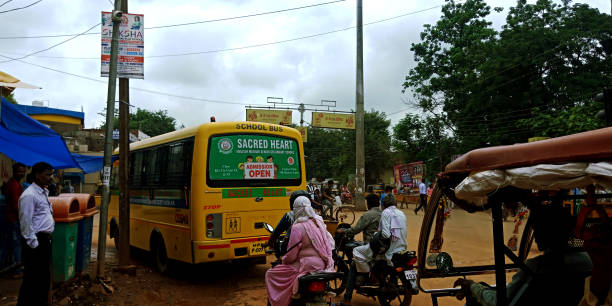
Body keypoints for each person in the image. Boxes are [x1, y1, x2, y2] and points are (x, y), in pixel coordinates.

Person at [453, 201, 592, 306]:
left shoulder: (535, 267)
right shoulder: (588, 261)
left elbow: (499, 301)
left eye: (538, 230)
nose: (536, 236)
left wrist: (472, 286)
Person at [265, 196, 334, 306]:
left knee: (271, 274)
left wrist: (284, 259)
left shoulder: (297, 227)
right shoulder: (318, 222)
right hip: (323, 264)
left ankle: (281, 301)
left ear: (296, 210)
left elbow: (292, 255)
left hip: (305, 266)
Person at [342, 194, 407, 305]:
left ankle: (348, 297)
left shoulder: (370, 214)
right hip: (398, 247)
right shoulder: (399, 214)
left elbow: (357, 229)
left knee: (354, 263)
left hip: (377, 247)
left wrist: (344, 231)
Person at [18, 162, 55, 306]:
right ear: (37, 175)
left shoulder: (43, 192)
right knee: (32, 279)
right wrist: (34, 244)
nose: (50, 178)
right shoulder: (29, 195)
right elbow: (25, 222)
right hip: (36, 243)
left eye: (51, 174)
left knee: (43, 279)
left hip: (44, 241)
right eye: (47, 174)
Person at [268, 190, 310, 257]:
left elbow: (277, 231)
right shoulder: (316, 217)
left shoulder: (289, 215)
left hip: (292, 253)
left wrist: (270, 242)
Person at [3, 163, 26, 277]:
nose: (21, 173)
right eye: (19, 171)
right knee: (17, 245)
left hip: (11, 219)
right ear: (14, 171)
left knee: (10, 245)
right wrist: (22, 220)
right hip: (14, 220)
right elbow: (16, 206)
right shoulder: (14, 185)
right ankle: (17, 271)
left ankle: (8, 267)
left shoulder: (14, 184)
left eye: (22, 171)